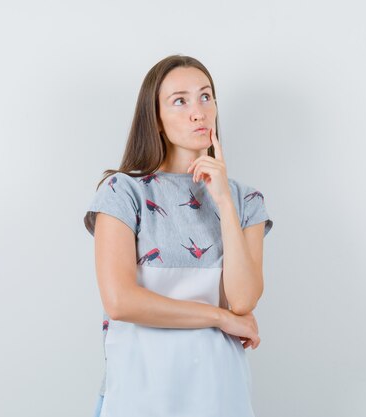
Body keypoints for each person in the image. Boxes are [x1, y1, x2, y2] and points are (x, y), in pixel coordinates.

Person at [83, 54, 273, 416]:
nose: (198, 112)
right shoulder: (124, 193)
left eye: (206, 96)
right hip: (141, 390)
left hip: (218, 390)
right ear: (155, 119)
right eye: (180, 100)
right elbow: (121, 302)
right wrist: (218, 317)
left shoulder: (245, 200)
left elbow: (244, 300)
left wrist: (223, 202)